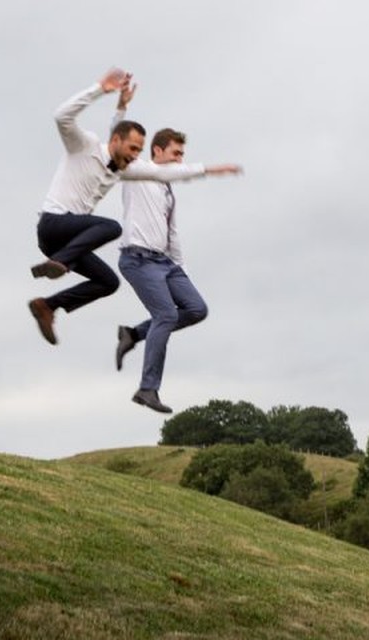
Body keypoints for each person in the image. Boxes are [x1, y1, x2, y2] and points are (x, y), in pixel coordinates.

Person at [27, 67, 226, 346]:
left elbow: (159, 172)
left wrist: (206, 170)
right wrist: (99, 89)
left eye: (138, 151)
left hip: (67, 243)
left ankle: (47, 306)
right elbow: (62, 116)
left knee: (108, 282)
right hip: (53, 224)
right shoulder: (84, 146)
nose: (135, 156)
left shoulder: (122, 168)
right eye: (133, 149)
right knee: (111, 227)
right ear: (116, 141)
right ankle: (60, 263)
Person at [111, 90, 242, 413]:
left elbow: (171, 231)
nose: (180, 159)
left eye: (183, 154)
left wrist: (179, 267)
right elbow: (114, 142)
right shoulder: (135, 170)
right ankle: (147, 389)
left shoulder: (167, 190)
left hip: (165, 262)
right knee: (167, 315)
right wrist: (122, 106)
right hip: (137, 259)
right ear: (157, 151)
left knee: (196, 309)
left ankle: (133, 334)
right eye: (175, 153)